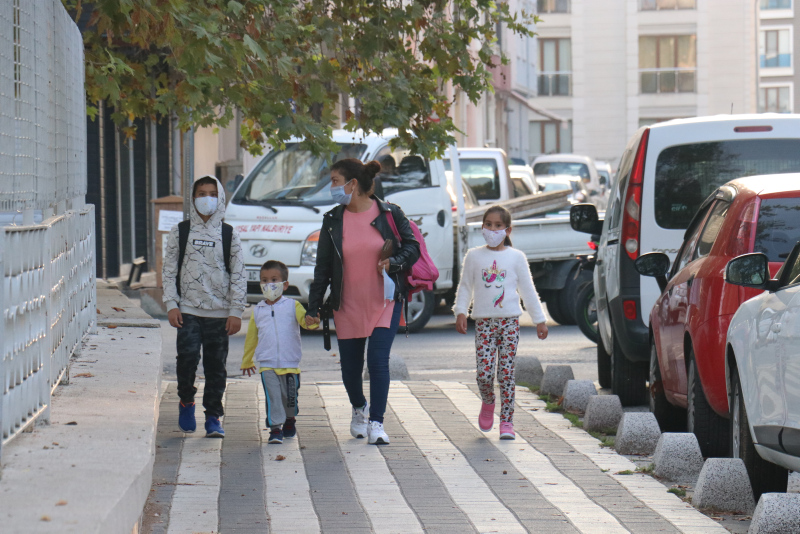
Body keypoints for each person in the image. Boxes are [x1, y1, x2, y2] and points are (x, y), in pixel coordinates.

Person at [305, 158, 420, 445]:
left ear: (352, 184)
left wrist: (394, 263)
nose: (332, 187)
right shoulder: (332, 220)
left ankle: (377, 423)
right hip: (347, 303)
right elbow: (323, 267)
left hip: (385, 301)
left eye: (335, 181)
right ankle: (359, 408)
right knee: (350, 369)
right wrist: (314, 307)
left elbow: (412, 247)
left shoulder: (390, 213)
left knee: (378, 361)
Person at [453, 205, 549, 440]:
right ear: (482, 226)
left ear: (508, 230)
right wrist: (461, 311)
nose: (492, 229)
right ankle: (488, 401)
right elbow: (465, 286)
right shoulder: (474, 256)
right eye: (488, 224)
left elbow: (528, 290)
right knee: (484, 374)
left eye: (498, 226)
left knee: (506, 374)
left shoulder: (516, 258)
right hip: (484, 324)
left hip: (509, 323)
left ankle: (507, 421)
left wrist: (539, 320)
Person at [162, 175, 247, 438]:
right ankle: (186, 401)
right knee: (187, 360)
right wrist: (171, 304)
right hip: (187, 310)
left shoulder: (229, 234)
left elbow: (239, 274)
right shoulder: (181, 231)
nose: (206, 198)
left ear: (220, 198)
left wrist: (235, 311)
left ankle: (213, 416)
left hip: (220, 314)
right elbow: (169, 269)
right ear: (193, 198)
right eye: (201, 193)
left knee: (215, 367)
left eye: (212, 193)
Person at [240, 260, 317, 444]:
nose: (269, 284)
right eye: (264, 280)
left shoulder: (293, 306)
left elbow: (305, 322)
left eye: (274, 280)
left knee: (290, 399)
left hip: (290, 364)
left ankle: (290, 419)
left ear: (285, 284)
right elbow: (252, 338)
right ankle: (275, 429)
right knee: (273, 397)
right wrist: (247, 360)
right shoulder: (258, 310)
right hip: (267, 365)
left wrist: (313, 322)